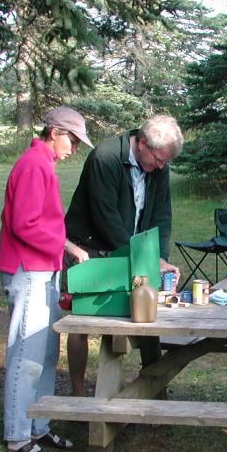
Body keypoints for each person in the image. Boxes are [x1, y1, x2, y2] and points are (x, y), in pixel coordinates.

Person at [0, 106, 94, 452]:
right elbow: (24, 224)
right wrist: (67, 246)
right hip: (28, 269)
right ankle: (17, 435)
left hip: (44, 268)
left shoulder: (44, 164)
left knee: (47, 353)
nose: (75, 148)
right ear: (54, 132)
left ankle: (39, 425)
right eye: (72, 139)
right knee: (27, 354)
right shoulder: (33, 164)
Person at [63, 114, 184, 396]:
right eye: (157, 159)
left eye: (166, 161)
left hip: (133, 246)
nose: (161, 166)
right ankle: (79, 393)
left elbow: (161, 215)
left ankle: (154, 387)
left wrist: (159, 256)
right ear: (141, 143)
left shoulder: (159, 165)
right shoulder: (104, 158)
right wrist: (143, 258)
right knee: (81, 320)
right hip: (88, 247)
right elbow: (107, 218)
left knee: (145, 309)